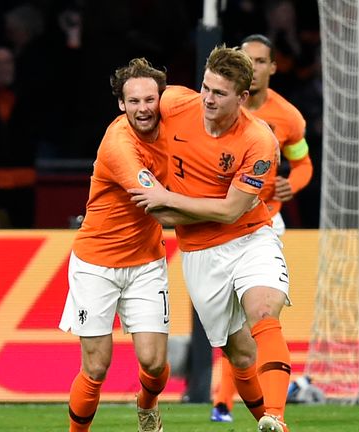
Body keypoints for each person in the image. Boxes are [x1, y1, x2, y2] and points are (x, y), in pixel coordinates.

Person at [129, 45, 292, 432]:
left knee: (264, 312)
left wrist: (167, 200)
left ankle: (277, 417)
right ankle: (264, 420)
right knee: (239, 354)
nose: (208, 98)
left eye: (219, 93)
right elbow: (133, 118)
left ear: (243, 97)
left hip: (250, 237)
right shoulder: (177, 103)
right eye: (206, 87)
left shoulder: (259, 141)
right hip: (200, 251)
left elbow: (230, 210)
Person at [58, 58, 171, 432]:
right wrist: (224, 211)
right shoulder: (119, 144)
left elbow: (201, 99)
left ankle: (147, 404)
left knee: (154, 363)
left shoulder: (174, 124)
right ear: (121, 104)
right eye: (133, 101)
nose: (143, 108)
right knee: (95, 367)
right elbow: (162, 207)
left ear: (161, 99)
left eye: (149, 100)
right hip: (96, 263)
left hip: (146, 261)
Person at [209, 33, 313, 424]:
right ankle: (225, 400)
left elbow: (302, 162)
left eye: (261, 61)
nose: (253, 68)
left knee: (262, 313)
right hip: (218, 224)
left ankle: (237, 405)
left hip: (264, 223)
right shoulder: (215, 107)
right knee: (232, 321)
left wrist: (294, 183)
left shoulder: (287, 117)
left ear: (273, 66)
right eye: (246, 60)